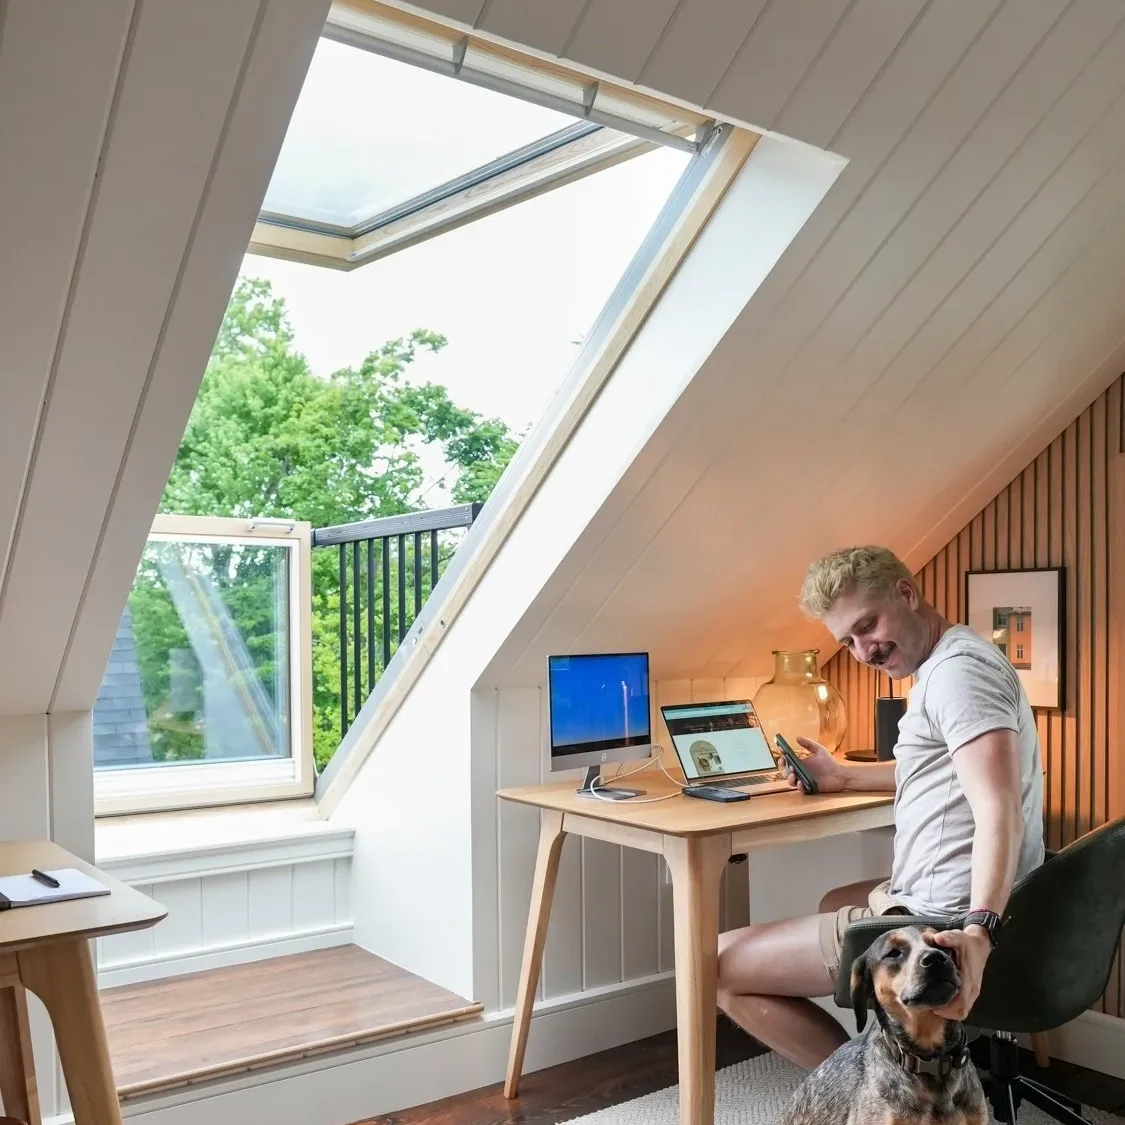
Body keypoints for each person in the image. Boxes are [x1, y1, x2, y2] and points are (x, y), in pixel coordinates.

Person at [716, 545, 1044, 1069]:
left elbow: (999, 810)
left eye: (868, 626)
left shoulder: (958, 677)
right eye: (848, 641)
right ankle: (894, 1068)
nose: (864, 651)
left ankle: (876, 1088)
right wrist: (842, 776)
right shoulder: (954, 659)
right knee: (834, 901)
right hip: (974, 901)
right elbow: (945, 772)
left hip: (940, 920)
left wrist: (979, 932)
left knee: (713, 964)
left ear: (907, 595)